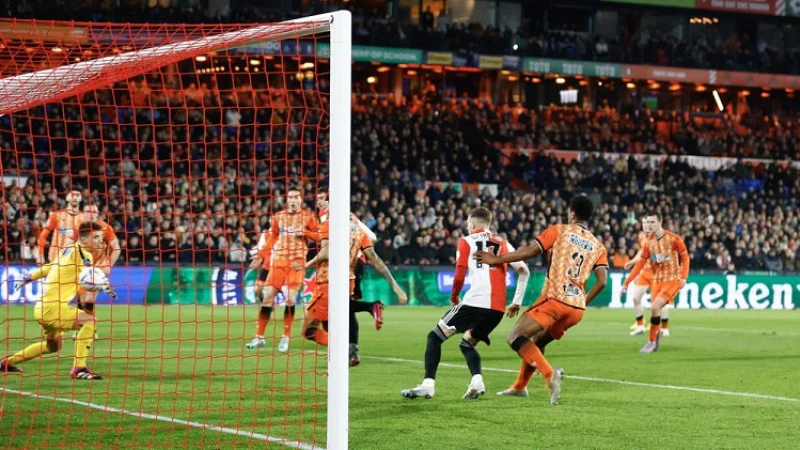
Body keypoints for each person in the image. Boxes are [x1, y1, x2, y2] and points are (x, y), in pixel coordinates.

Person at [475, 195, 608, 405]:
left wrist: (496, 259)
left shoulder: (559, 230)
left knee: (515, 337)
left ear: (572, 213)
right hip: (576, 309)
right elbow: (602, 281)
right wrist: (582, 300)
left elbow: (529, 251)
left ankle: (549, 375)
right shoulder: (598, 246)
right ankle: (520, 387)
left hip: (555, 298)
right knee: (537, 342)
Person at [401, 207, 530, 400]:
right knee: (467, 343)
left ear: (472, 223)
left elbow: (459, 273)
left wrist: (454, 297)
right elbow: (524, 271)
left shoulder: (466, 241)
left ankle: (428, 385)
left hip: (475, 302)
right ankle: (477, 382)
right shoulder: (503, 243)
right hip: (497, 309)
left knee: (434, 337)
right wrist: (516, 301)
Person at [1, 221, 117, 379]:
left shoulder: (68, 250)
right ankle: (79, 368)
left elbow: (51, 267)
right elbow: (90, 275)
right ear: (83, 240)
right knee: (90, 321)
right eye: (95, 237)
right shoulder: (84, 254)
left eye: (101, 237)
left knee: (53, 347)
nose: (100, 241)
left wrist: (29, 277)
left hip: (43, 308)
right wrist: (104, 283)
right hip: (52, 310)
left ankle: (6, 363)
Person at [301, 213, 407, 348]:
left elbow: (325, 253)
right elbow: (375, 260)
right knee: (338, 314)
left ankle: (343, 348)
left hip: (328, 280)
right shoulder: (359, 230)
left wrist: (305, 265)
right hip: (350, 278)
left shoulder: (329, 224)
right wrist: (396, 287)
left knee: (308, 329)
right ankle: (348, 350)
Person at [316, 187, 384, 367]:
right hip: (357, 261)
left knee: (338, 306)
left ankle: (371, 307)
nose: (320, 202)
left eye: (323, 199)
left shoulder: (327, 215)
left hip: (346, 265)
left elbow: (326, 246)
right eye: (319, 199)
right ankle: (349, 352)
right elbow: (372, 236)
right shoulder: (351, 215)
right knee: (346, 308)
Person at [246, 185, 319, 352]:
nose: (293, 200)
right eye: (290, 197)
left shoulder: (308, 217)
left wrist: (306, 234)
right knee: (267, 297)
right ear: (287, 199)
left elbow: (320, 236)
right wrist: (261, 255)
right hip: (278, 262)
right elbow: (273, 237)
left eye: (296, 197)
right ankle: (259, 337)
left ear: (300, 200)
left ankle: (285, 337)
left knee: (291, 299)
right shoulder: (278, 217)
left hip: (296, 262)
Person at [622, 213, 689, 353]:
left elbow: (685, 256)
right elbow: (640, 263)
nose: (649, 225)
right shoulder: (648, 242)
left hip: (672, 280)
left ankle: (651, 342)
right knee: (654, 309)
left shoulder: (673, 238)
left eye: (652, 222)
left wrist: (683, 277)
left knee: (655, 307)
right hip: (658, 280)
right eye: (648, 222)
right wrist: (627, 282)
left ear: (660, 222)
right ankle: (655, 338)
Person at [625, 217, 672, 337]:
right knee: (636, 298)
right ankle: (640, 325)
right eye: (644, 223)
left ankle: (665, 328)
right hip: (645, 273)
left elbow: (668, 256)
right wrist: (633, 261)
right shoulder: (641, 236)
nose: (646, 225)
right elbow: (642, 252)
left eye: (648, 223)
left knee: (658, 304)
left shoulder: (660, 237)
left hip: (658, 274)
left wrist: (654, 259)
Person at [37, 189, 83, 264]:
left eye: (77, 195)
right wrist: (40, 254)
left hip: (75, 260)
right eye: (72, 195)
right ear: (67, 198)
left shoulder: (84, 218)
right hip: (56, 259)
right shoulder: (56, 215)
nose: (75, 197)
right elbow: (43, 235)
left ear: (81, 198)